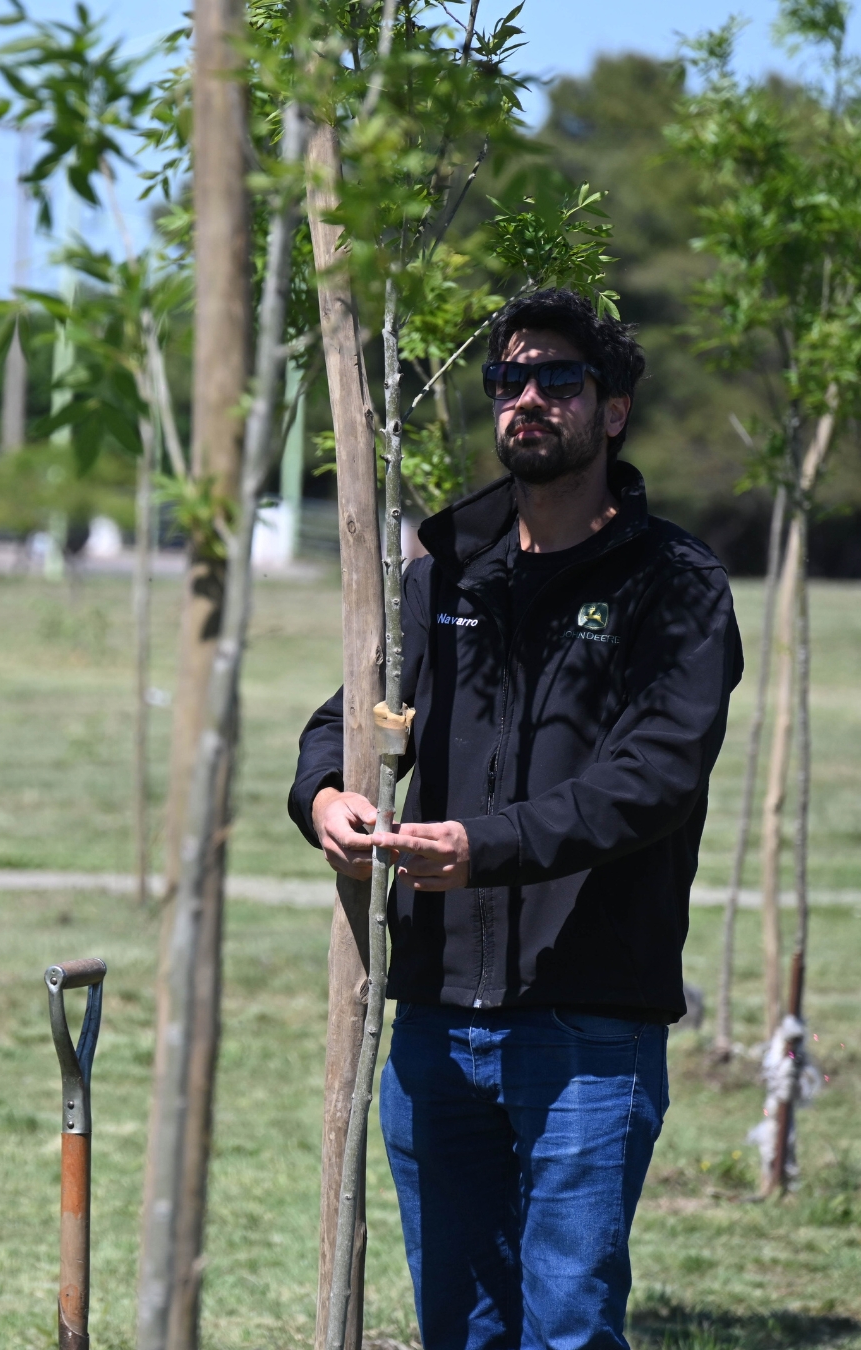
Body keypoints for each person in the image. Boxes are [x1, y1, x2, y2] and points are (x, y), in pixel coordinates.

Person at [288, 288, 743, 1350]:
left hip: (589, 1022)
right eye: (508, 379)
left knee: (570, 1330)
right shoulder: (443, 573)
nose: (528, 397)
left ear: (613, 408)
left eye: (559, 379)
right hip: (437, 1021)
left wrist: (483, 849)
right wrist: (324, 797)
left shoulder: (674, 585)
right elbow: (346, 713)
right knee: (460, 1327)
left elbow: (654, 775)